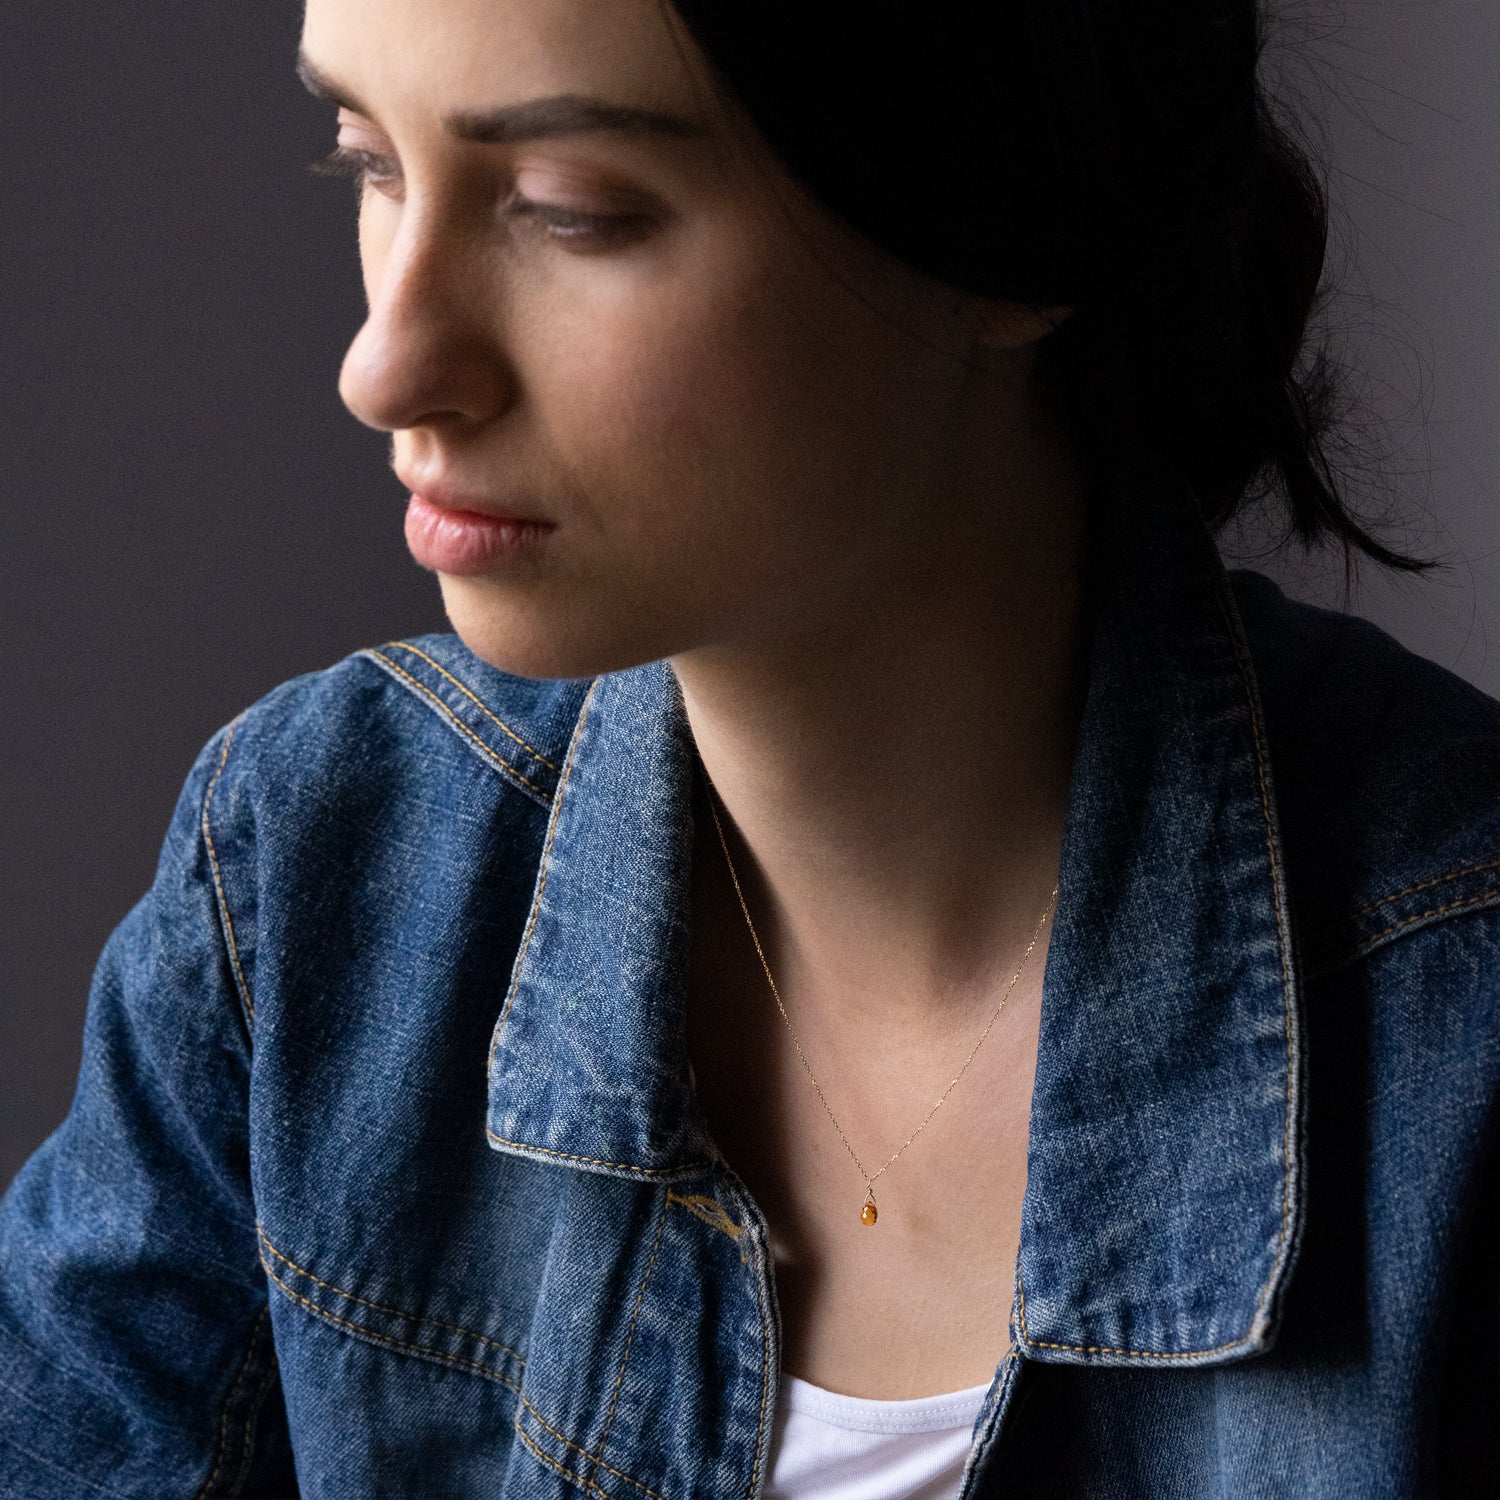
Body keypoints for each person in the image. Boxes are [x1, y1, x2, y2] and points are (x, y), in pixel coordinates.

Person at [0, 0, 1495, 1495]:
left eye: (568, 212)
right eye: (368, 165)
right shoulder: (309, 871)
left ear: (1004, 222)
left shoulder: (1457, 1020)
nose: (385, 368)